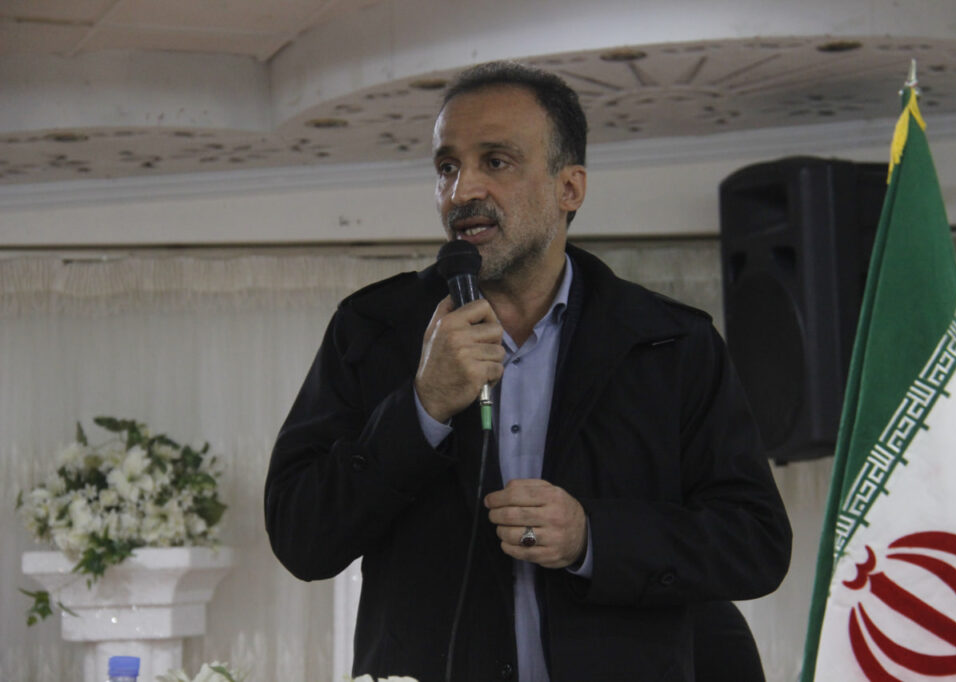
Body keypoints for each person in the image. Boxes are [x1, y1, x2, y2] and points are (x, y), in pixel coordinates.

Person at [264, 61, 791, 682]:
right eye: (447, 167)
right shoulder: (372, 329)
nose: (462, 190)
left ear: (570, 188)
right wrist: (421, 408)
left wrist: (593, 538)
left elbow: (755, 542)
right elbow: (301, 538)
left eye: (496, 161)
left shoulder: (671, 343)